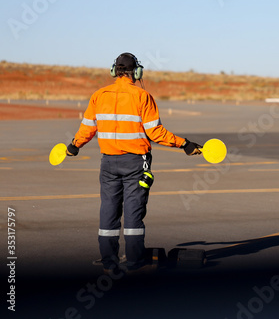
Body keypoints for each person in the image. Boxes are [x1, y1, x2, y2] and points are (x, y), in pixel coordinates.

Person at [66, 52, 202, 274]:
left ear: (114, 71)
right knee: (133, 211)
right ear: (136, 72)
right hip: (136, 164)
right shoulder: (142, 96)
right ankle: (135, 260)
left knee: (108, 209)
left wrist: (74, 146)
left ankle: (109, 260)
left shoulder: (98, 95)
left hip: (108, 163)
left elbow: (87, 128)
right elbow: (155, 132)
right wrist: (184, 144)